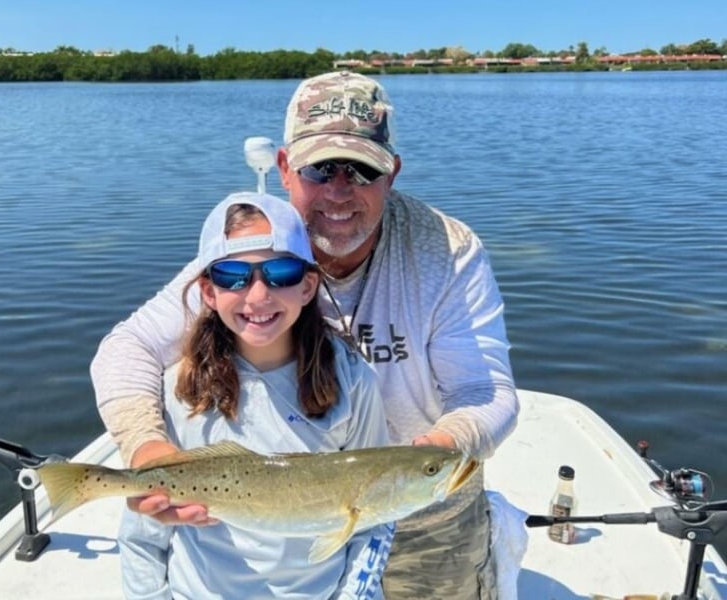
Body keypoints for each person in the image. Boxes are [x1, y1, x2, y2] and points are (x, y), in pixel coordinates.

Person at [93, 71, 520, 600]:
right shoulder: (250, 249)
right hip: (279, 515)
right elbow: (126, 348)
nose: (339, 191)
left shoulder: (448, 250)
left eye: (362, 170)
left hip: (426, 503)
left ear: (392, 174)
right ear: (284, 168)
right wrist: (149, 449)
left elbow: (485, 392)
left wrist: (428, 459)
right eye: (320, 168)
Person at [118, 191, 393, 600]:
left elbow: (374, 519)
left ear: (308, 286)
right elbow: (144, 532)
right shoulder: (180, 388)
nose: (258, 295)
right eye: (233, 275)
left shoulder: (353, 381)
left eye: (281, 272)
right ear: (208, 292)